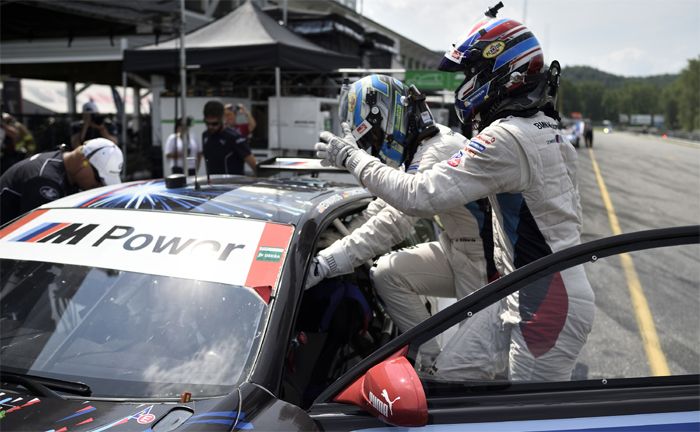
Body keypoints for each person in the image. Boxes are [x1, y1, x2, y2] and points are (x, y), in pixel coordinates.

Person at [315, 4, 594, 382]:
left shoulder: (508, 137)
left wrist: (351, 158)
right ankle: (428, 363)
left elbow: (417, 197)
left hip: (545, 299)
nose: (466, 84)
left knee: (526, 418)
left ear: (504, 71)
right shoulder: (544, 129)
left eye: (472, 73)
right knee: (448, 379)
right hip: (530, 286)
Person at [305, 74, 494, 367]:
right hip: (457, 248)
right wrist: (338, 236)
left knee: (474, 369)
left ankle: (439, 372)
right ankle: (429, 357)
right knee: (386, 274)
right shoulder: (425, 143)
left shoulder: (436, 149)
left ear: (389, 118)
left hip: (484, 262)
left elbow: (397, 219)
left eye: (374, 138)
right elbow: (384, 204)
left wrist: (328, 262)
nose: (375, 148)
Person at [0, 138, 123, 225]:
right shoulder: (45, 180)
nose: (98, 187)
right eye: (99, 180)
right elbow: (38, 233)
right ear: (83, 161)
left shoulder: (62, 168)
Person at [202, 100, 257, 175]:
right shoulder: (205, 135)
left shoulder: (234, 137)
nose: (210, 127)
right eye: (207, 123)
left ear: (222, 119)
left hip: (232, 184)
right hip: (212, 183)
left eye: (214, 124)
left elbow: (254, 164)